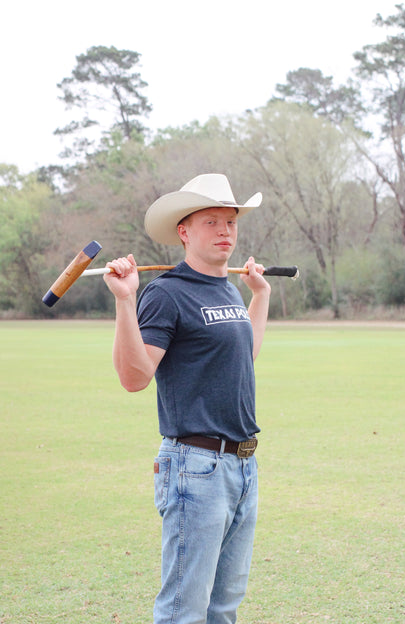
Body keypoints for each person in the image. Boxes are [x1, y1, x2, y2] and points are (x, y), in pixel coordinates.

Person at [103, 173, 271, 624]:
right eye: (212, 221)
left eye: (231, 222)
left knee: (223, 608)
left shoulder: (227, 288)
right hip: (196, 467)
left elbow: (244, 355)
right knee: (185, 612)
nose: (225, 231)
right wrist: (125, 301)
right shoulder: (165, 293)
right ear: (184, 230)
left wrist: (260, 296)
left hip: (242, 464)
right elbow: (135, 377)